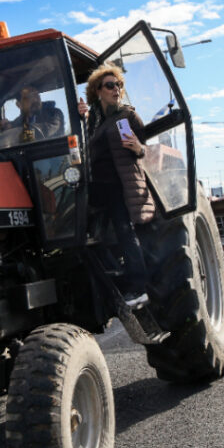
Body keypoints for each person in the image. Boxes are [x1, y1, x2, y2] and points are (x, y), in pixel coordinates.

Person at [77, 64, 154, 307]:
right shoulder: (94, 120)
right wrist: (81, 118)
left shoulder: (128, 116)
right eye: (110, 85)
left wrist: (138, 148)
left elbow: (146, 151)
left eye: (118, 85)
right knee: (88, 234)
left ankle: (139, 288)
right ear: (97, 91)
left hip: (120, 185)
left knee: (125, 233)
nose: (116, 89)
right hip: (99, 187)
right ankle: (116, 282)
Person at [0, 85, 65, 141]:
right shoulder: (16, 123)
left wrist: (14, 134)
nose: (35, 99)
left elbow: (45, 131)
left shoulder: (54, 113)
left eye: (37, 95)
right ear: (19, 105)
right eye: (29, 97)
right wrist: (4, 129)